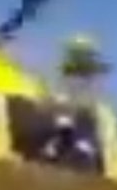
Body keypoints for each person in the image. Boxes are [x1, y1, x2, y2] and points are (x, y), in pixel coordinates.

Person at [40, 34, 112, 169]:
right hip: (67, 112)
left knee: (80, 137)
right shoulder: (67, 71)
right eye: (85, 55)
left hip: (80, 114)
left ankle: (72, 153)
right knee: (65, 131)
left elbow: (95, 72)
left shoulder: (85, 71)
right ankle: (53, 154)